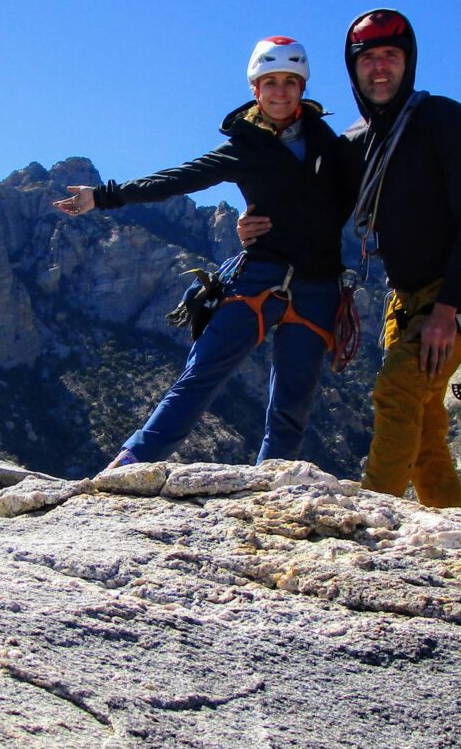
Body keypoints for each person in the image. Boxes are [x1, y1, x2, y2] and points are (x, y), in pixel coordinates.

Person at [54, 37, 357, 469]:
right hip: (259, 277)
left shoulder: (330, 146)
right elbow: (181, 179)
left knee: (293, 405)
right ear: (255, 89)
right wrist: (103, 197)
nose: (280, 91)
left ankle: (268, 494)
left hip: (318, 286)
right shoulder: (245, 147)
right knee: (199, 377)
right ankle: (129, 465)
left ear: (303, 88)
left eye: (290, 81)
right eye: (270, 82)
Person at [243, 9, 461, 506]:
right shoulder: (355, 146)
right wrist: (253, 219)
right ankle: (456, 531)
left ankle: (370, 517)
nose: (380, 68)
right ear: (352, 69)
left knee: (398, 390)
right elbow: (310, 202)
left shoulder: (447, 123)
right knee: (423, 433)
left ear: (409, 62)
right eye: (368, 58)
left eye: (391, 56)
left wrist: (447, 311)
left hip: (456, 296)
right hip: (404, 301)